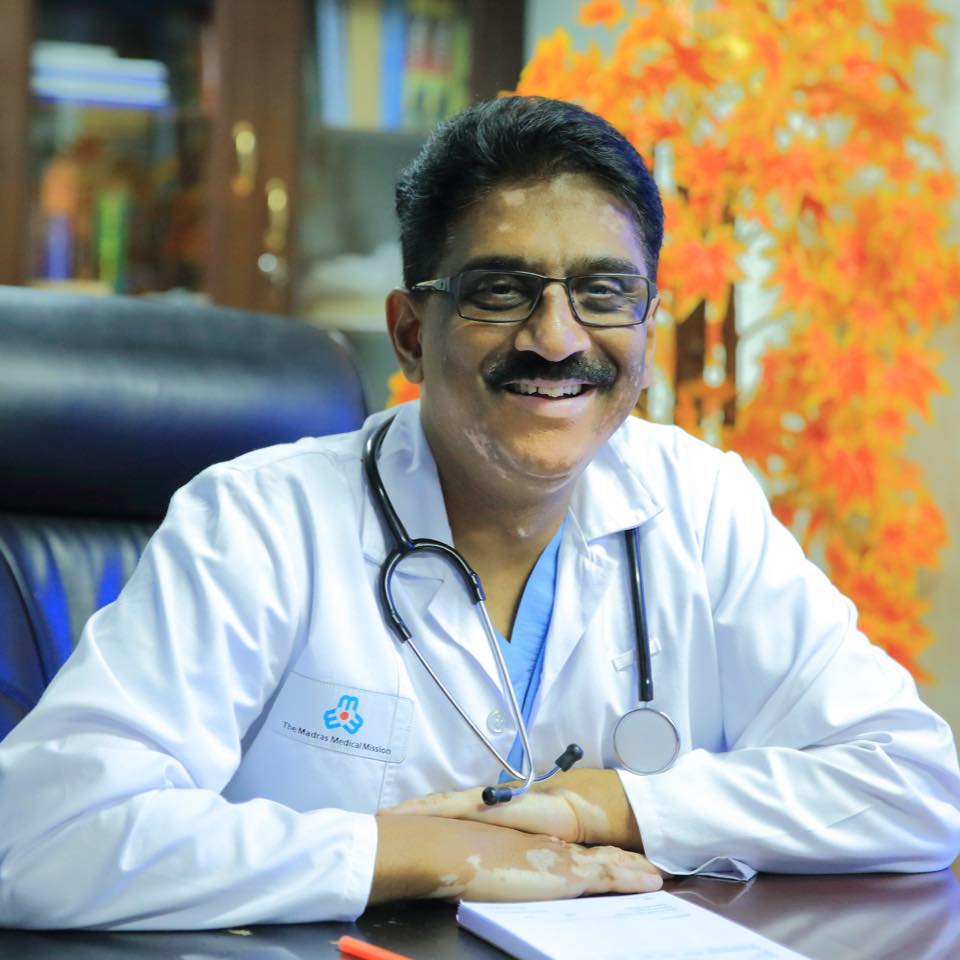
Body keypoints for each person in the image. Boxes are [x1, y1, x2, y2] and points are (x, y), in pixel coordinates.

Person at [0, 96, 958, 930]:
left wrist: (605, 807)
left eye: (604, 291)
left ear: (646, 326)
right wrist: (419, 852)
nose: (557, 337)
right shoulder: (258, 522)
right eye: (502, 291)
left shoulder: (701, 505)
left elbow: (915, 786)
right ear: (411, 334)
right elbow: (40, 834)